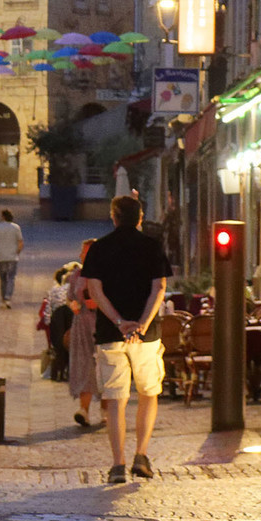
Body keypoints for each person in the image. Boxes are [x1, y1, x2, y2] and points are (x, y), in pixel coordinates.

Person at [81, 192, 169, 485]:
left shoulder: (99, 249)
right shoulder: (152, 246)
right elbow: (159, 288)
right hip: (146, 336)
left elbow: (95, 290)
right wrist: (141, 324)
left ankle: (117, 463)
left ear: (113, 217)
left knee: (115, 399)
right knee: (148, 393)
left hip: (110, 334)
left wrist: (119, 322)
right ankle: (141, 456)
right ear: (141, 218)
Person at [65, 240, 103, 433]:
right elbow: (70, 296)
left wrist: (96, 304)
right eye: (82, 252)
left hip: (101, 325)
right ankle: (84, 409)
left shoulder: (105, 274)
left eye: (86, 253)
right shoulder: (77, 275)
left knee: (103, 367)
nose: (82, 256)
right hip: (81, 325)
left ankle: (106, 409)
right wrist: (73, 304)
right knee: (83, 365)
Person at [0, 207, 24, 307]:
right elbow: (20, 242)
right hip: (12, 256)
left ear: (3, 217)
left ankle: (3, 298)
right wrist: (17, 251)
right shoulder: (16, 227)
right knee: (11, 277)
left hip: (1, 256)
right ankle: (8, 297)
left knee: (3, 278)